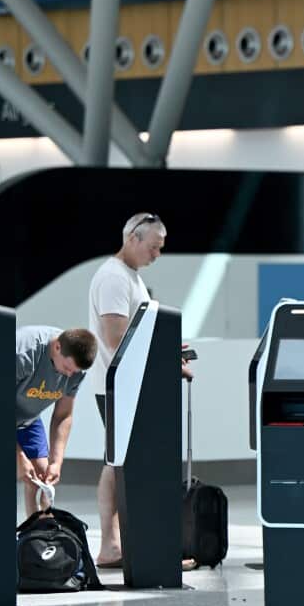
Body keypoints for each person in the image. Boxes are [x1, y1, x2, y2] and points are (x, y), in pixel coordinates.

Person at [87, 212, 197, 570]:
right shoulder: (113, 278)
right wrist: (165, 358)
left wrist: (167, 349)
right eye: (153, 247)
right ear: (133, 238)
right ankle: (117, 545)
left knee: (120, 461)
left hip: (132, 385)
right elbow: (116, 338)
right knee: (119, 462)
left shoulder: (129, 277)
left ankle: (123, 544)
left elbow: (137, 336)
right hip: (120, 387)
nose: (157, 255)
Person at [16, 326, 97, 515]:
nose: (70, 375)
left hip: (28, 419)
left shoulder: (76, 371)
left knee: (42, 477)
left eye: (74, 371)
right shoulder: (23, 354)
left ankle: (37, 536)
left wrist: (56, 462)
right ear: (57, 347)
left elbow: (63, 415)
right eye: (68, 368)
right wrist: (20, 456)